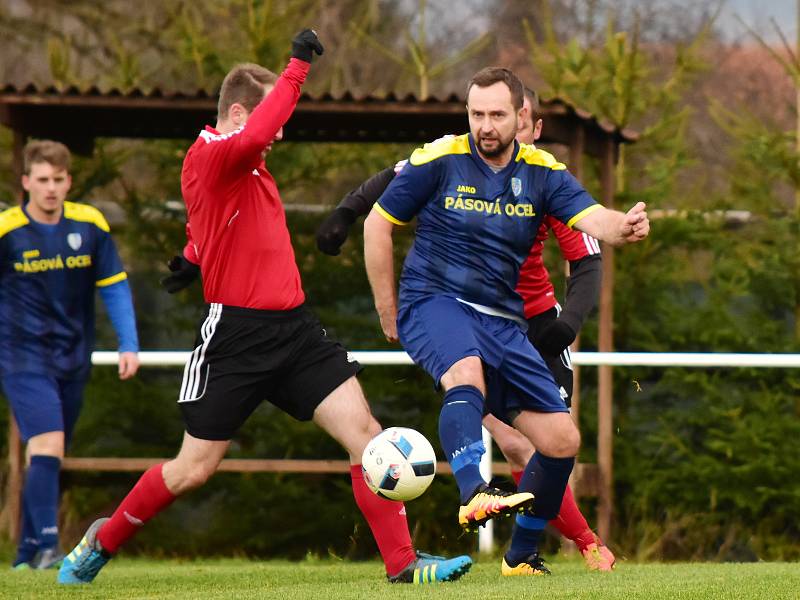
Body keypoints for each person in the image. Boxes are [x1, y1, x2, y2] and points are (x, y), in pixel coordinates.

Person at [58, 30, 471, 586]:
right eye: (272, 122)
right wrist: (298, 67)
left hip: (295, 331)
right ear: (237, 112)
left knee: (366, 435)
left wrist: (192, 254)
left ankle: (403, 565)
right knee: (193, 470)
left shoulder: (244, 165)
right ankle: (99, 542)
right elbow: (249, 145)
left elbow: (225, 223)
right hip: (237, 337)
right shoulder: (212, 153)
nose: (278, 135)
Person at [363, 67, 648, 576]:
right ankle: (474, 491)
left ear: (521, 117)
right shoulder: (440, 160)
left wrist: (622, 226)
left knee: (562, 441)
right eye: (476, 114)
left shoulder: (543, 171)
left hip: (503, 322)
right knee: (465, 372)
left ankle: (520, 556)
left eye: (496, 114)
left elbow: (592, 220)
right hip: (435, 301)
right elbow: (376, 223)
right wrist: (389, 310)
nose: (485, 125)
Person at [0, 140, 140, 570]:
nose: (50, 189)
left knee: (49, 453)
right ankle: (47, 548)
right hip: (22, 355)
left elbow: (114, 285)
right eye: (41, 180)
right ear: (26, 183)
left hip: (74, 355)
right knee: (48, 444)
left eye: (58, 180)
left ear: (68, 181)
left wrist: (128, 343)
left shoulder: (90, 224)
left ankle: (25, 553)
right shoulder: (6, 230)